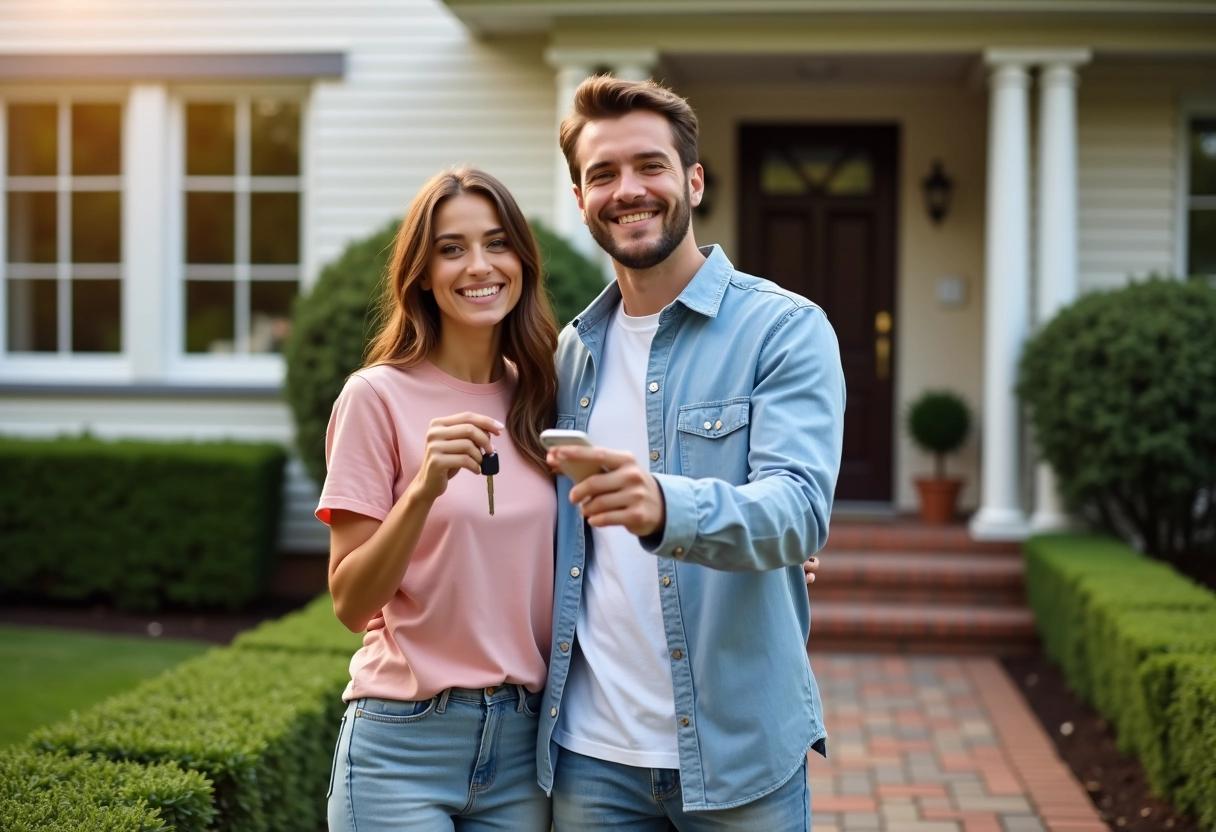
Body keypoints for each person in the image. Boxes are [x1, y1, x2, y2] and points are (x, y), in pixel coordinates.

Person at [537, 75, 846, 831]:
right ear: (579, 199)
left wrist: (668, 506)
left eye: (650, 166)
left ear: (693, 181)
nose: (627, 190)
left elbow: (800, 507)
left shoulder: (784, 329)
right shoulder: (571, 352)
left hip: (740, 753)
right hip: (591, 757)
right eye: (602, 174)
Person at [319, 167, 559, 832]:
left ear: (522, 260)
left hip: (525, 748)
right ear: (422, 272)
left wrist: (746, 559)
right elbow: (350, 602)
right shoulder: (375, 398)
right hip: (402, 744)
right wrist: (422, 491)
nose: (478, 265)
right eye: (452, 248)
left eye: (497, 242)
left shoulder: (548, 395)